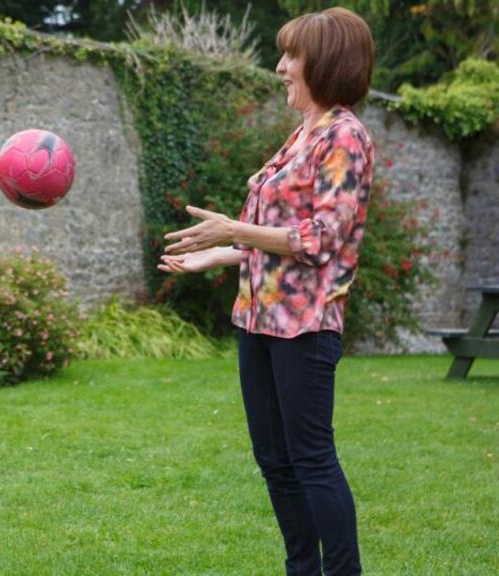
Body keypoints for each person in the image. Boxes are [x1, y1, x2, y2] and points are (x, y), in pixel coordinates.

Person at [159, 8, 374, 575]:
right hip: (257, 322)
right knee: (275, 461)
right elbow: (282, 243)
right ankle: (302, 569)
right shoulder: (302, 133)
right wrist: (222, 254)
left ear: (323, 63)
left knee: (310, 458)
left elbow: (322, 237)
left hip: (304, 327)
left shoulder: (344, 137)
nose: (280, 67)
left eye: (291, 57)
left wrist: (233, 229)